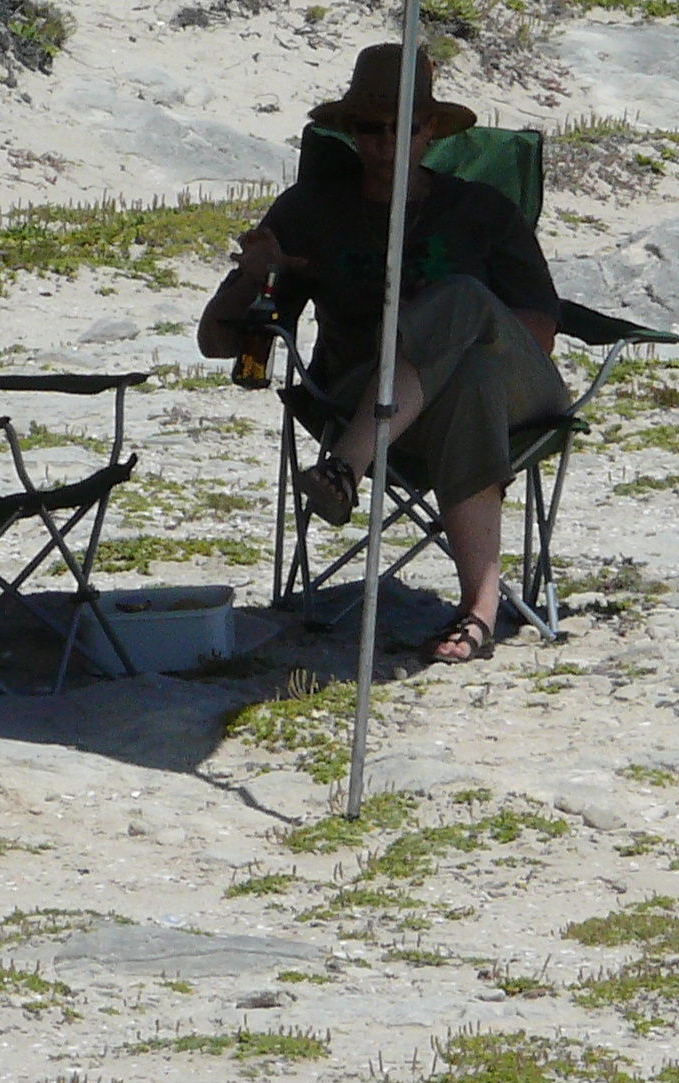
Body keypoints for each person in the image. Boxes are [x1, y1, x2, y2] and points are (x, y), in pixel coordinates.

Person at [197, 44, 565, 663]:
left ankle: (344, 467)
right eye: (372, 127)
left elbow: (539, 332)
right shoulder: (312, 209)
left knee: (463, 305)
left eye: (406, 127)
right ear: (350, 131)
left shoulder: (481, 210)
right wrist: (253, 276)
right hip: (367, 390)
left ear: (431, 131)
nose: (388, 142)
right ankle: (480, 608)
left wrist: (439, 324)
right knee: (468, 378)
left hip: (517, 388)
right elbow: (218, 343)